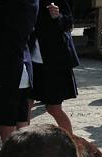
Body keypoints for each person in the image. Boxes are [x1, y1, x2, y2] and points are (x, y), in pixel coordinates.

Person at [0, 0, 38, 142]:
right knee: (22, 119)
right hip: (23, 63)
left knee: (6, 120)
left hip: (6, 68)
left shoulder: (8, 3)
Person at [28, 0, 78, 135]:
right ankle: (21, 147)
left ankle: (72, 145)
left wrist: (58, 16)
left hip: (55, 60)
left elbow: (69, 22)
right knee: (25, 105)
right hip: (32, 59)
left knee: (53, 108)